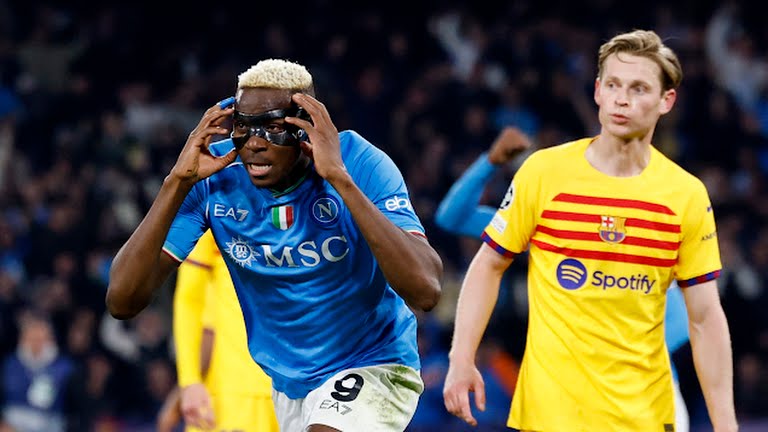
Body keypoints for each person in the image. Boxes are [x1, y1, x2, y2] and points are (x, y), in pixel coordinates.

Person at [106, 58, 443, 432]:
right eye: (243, 128)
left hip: (373, 362)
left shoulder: (359, 162)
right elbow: (123, 300)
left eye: (273, 128)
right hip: (288, 385)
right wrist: (176, 183)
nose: (254, 144)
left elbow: (426, 290)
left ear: (306, 125)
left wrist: (340, 180)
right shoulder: (215, 176)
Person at [442, 30, 738, 431]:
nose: (621, 99)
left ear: (666, 100)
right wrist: (461, 358)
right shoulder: (544, 173)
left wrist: (726, 424)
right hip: (550, 415)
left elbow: (704, 317)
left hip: (646, 416)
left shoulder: (685, 195)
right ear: (597, 91)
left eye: (638, 88)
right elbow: (487, 262)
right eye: (612, 85)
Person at [435, 126, 693, 431]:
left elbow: (682, 322)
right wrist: (490, 162)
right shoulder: (535, 224)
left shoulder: (631, 239)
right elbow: (451, 218)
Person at [156, 230, 279, 432]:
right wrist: (188, 384)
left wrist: (186, 385)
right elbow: (196, 309)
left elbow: (200, 319)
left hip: (247, 394)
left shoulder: (213, 223)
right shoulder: (213, 221)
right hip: (248, 393)